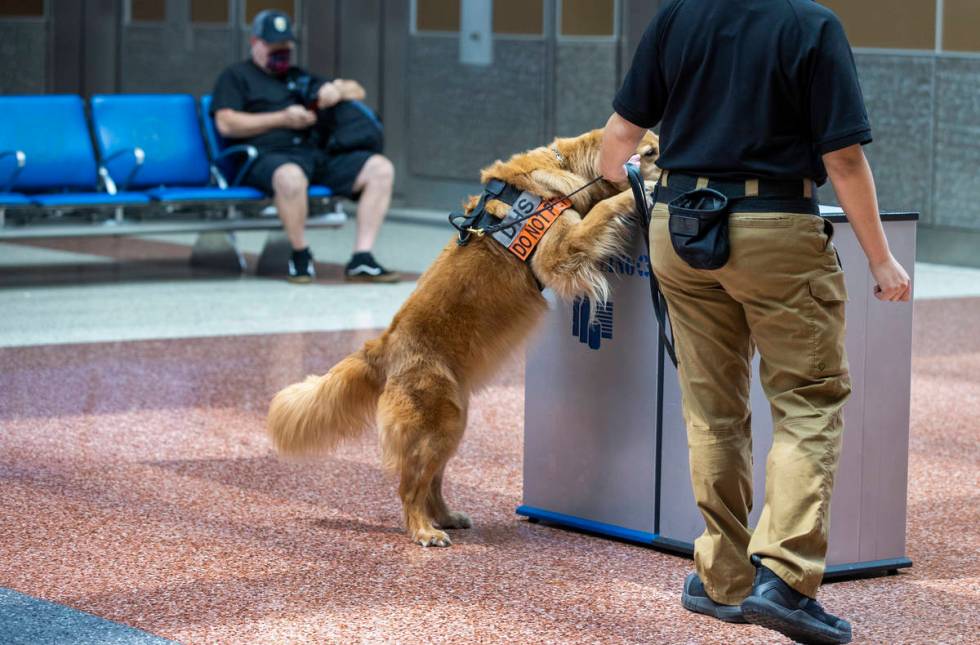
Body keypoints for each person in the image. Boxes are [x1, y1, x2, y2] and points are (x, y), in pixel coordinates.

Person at [599, 1, 911, 643]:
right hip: (775, 228)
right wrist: (882, 260)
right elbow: (843, 159)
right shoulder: (810, 24)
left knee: (712, 408)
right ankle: (786, 580)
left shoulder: (676, 16)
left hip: (679, 227)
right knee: (808, 400)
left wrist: (661, 191)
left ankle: (725, 578)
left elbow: (616, 148)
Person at [211, 10, 399, 284]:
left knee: (380, 169)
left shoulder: (299, 77)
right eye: (274, 46)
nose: (281, 52)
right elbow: (226, 124)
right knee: (290, 176)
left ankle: (362, 257)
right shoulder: (236, 76)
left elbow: (357, 90)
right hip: (266, 157)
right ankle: (300, 253)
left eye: (285, 47)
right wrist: (282, 118)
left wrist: (337, 90)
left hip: (315, 155)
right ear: (255, 43)